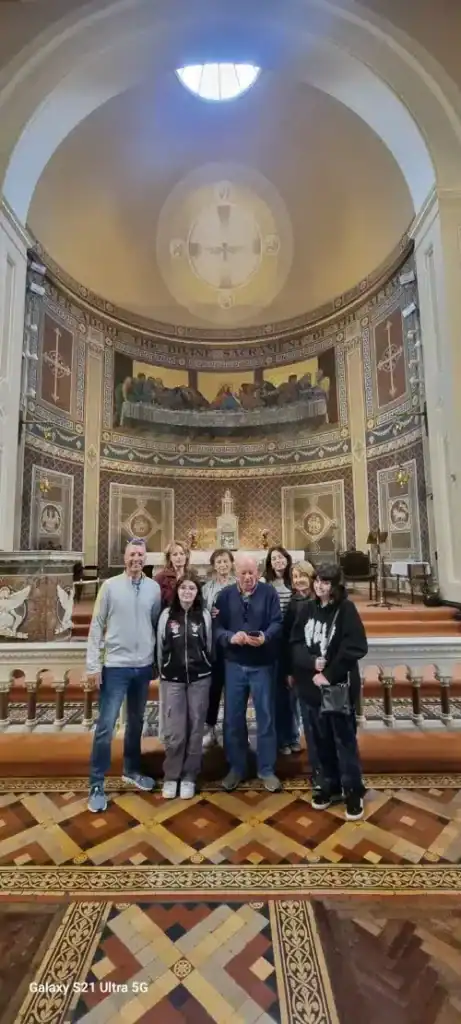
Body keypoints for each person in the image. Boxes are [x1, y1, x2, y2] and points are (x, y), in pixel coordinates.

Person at [86, 538, 161, 813]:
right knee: (106, 726)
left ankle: (131, 768)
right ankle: (96, 783)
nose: (136, 559)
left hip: (142, 665)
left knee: (136, 721)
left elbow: (154, 624)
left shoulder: (153, 589)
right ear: (125, 557)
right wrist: (94, 666)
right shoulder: (110, 586)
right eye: (132, 554)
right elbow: (97, 626)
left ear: (146, 558)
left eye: (141, 555)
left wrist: (154, 660)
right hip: (115, 665)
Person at [290, 562, 367, 821]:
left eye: (325, 582)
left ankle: (352, 790)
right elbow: (296, 642)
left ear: (335, 586)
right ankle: (326, 783)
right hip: (310, 687)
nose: (319, 586)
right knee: (316, 740)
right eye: (317, 580)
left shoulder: (346, 610)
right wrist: (311, 664)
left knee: (343, 740)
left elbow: (356, 646)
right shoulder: (306, 608)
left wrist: (329, 673)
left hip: (336, 687)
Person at [214, 553, 282, 793]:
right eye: (243, 573)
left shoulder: (269, 593)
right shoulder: (223, 596)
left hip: (262, 664)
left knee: (265, 717)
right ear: (235, 574)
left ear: (259, 573)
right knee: (233, 718)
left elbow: (277, 622)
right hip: (234, 665)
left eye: (252, 572)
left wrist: (265, 637)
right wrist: (230, 637)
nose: (248, 577)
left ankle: (266, 769)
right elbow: (216, 628)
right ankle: (236, 768)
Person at [157, 575, 212, 799]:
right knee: (175, 730)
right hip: (173, 679)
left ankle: (190, 775)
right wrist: (164, 671)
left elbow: (208, 646)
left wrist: (204, 664)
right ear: (177, 592)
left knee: (196, 726)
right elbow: (161, 647)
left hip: (200, 678)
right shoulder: (167, 616)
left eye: (192, 588)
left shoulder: (204, 616)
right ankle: (171, 776)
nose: (187, 592)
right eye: (183, 588)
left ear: (197, 593)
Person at [263, 546, 299, 755]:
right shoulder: (266, 584)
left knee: (292, 693)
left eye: (281, 557)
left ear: (287, 559)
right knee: (276, 694)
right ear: (269, 562)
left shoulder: (295, 580)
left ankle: (293, 735)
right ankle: (280, 739)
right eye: (274, 558)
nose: (278, 561)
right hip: (274, 642)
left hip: (293, 643)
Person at [202, 549, 236, 749]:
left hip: (234, 643)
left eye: (225, 561)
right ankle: (210, 727)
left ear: (231, 563)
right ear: (214, 565)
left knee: (233, 689)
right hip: (214, 643)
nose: (222, 565)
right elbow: (202, 612)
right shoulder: (207, 588)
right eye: (219, 562)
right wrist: (210, 612)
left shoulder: (238, 584)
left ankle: (232, 730)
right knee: (213, 688)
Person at [155, 541, 190, 609]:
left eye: (182, 554)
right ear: (169, 558)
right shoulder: (160, 578)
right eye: (175, 554)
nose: (179, 557)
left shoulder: (192, 576)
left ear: (186, 556)